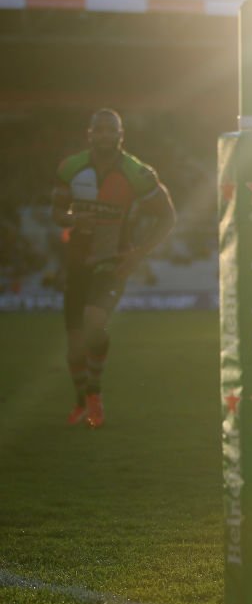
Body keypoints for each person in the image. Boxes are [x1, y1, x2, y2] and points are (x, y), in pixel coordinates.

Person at [52, 109, 176, 428]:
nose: (105, 136)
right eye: (99, 131)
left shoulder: (138, 173)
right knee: (74, 347)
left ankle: (95, 395)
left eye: (111, 131)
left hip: (113, 260)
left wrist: (138, 253)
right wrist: (70, 218)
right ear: (90, 134)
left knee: (95, 321)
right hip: (78, 260)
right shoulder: (71, 167)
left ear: (121, 136)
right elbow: (57, 211)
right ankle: (81, 401)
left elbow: (167, 216)